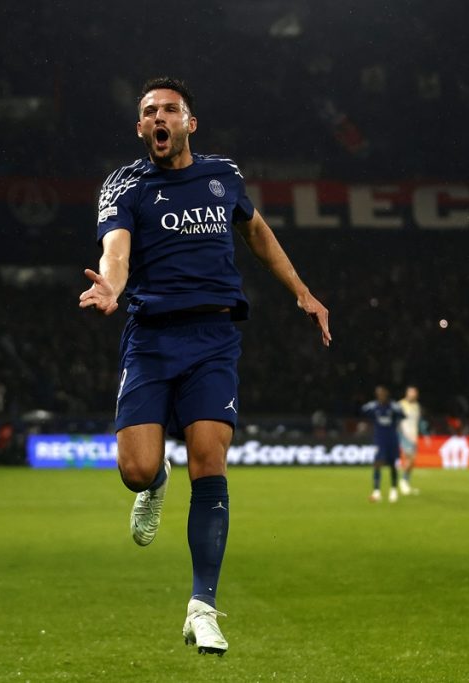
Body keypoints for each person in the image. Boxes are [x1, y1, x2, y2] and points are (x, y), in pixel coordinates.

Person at [78, 77, 331, 656]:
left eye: (169, 108)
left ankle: (203, 606)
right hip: (150, 337)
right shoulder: (125, 184)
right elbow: (115, 251)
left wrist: (302, 291)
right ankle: (156, 479)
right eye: (148, 111)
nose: (158, 117)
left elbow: (258, 233)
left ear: (189, 122)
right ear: (141, 128)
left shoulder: (225, 176)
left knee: (210, 461)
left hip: (214, 337)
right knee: (137, 471)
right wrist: (112, 288)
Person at [361, 386, 406, 503]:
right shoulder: (374, 406)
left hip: (392, 440)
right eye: (378, 394)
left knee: (392, 465)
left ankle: (393, 490)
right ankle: (376, 492)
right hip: (379, 440)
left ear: (387, 394)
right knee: (377, 464)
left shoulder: (394, 406)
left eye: (382, 394)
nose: (380, 396)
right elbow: (362, 410)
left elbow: (403, 415)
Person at [397, 385, 424, 495]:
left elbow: (417, 422)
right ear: (407, 393)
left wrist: (421, 434)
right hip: (404, 435)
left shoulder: (417, 406)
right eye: (411, 392)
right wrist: (403, 434)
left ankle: (406, 482)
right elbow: (397, 422)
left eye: (414, 393)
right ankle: (403, 481)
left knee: (412, 461)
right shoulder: (401, 405)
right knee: (410, 459)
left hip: (413, 436)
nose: (413, 394)